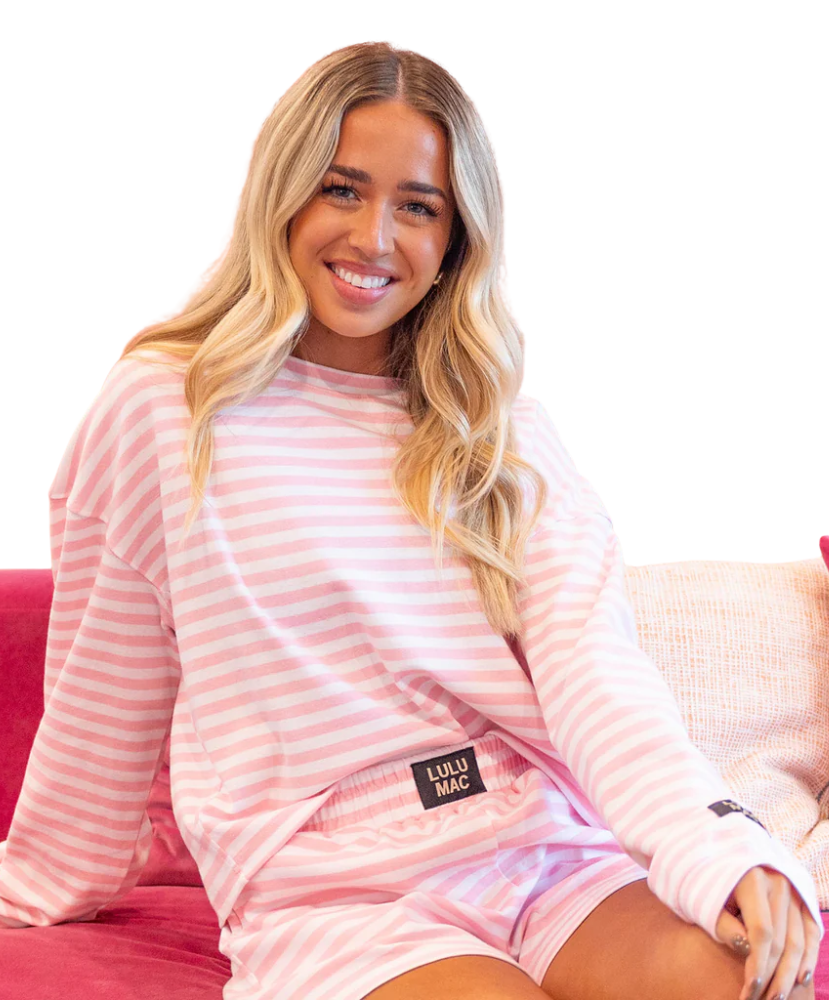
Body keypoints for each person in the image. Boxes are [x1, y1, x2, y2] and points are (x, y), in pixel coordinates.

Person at [0, 40, 820, 1000]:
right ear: (281, 195)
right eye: (341, 189)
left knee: (745, 982)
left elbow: (594, 671)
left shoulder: (507, 431)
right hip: (338, 892)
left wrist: (717, 846)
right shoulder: (164, 408)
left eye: (418, 206)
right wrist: (43, 880)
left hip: (546, 848)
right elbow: (104, 683)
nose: (373, 237)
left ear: (456, 237)